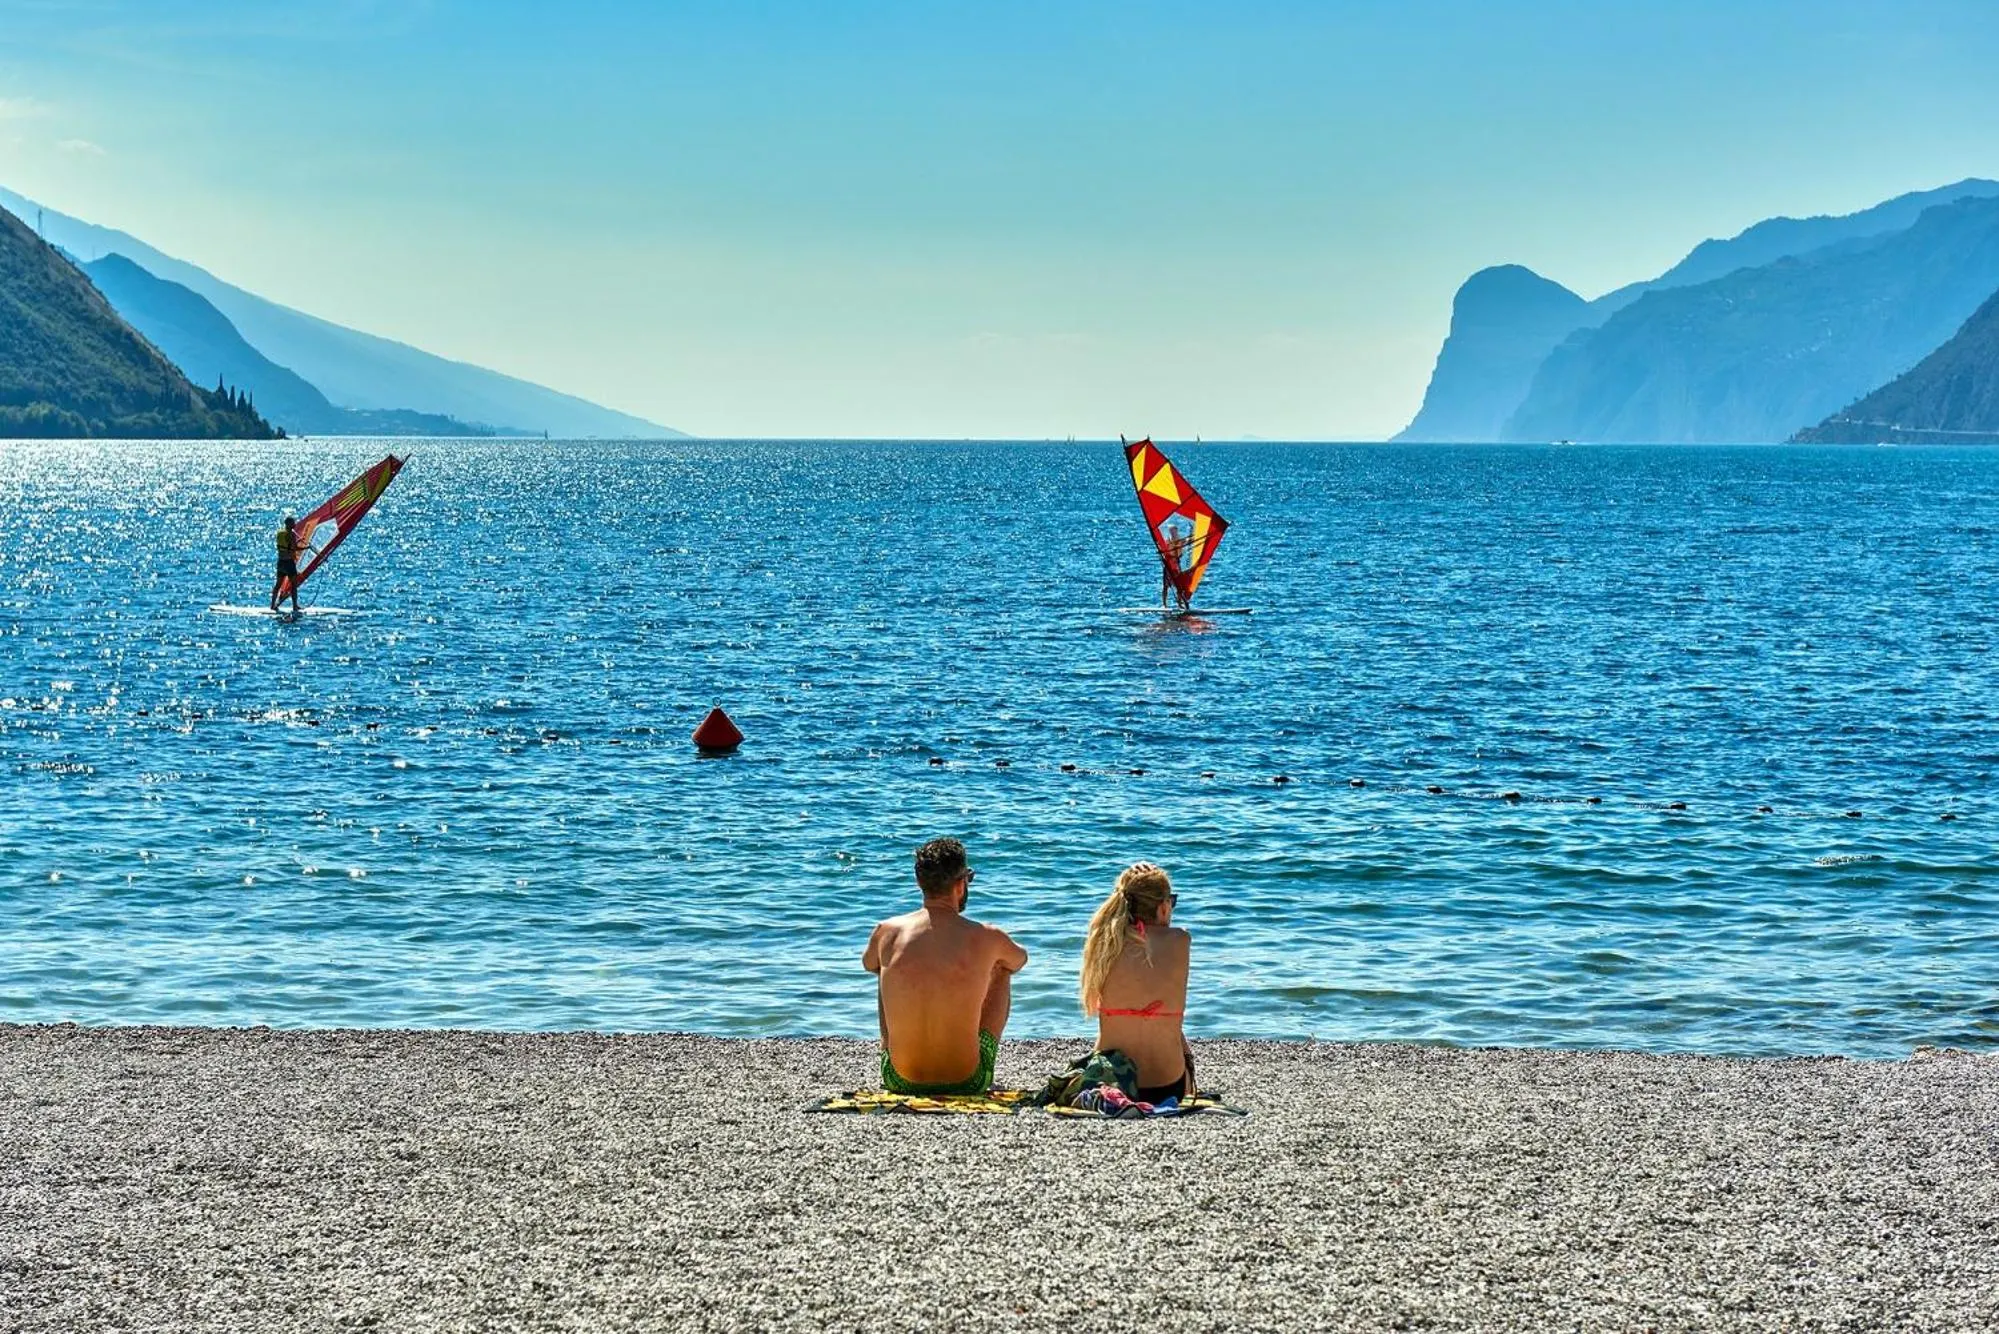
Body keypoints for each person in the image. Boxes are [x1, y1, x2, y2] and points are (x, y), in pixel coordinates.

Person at [863, 837, 1028, 1096]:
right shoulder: (987, 936)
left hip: (898, 1079)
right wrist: (983, 966)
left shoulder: (886, 932)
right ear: (960, 885)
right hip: (968, 1081)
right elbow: (1019, 960)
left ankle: (897, 1053)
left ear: (919, 882)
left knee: (885, 968)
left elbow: (868, 963)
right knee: (1002, 968)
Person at [1080, 861, 1196, 1104]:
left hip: (1112, 1081)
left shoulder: (1104, 941)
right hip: (1169, 1084)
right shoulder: (1180, 940)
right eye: (1172, 902)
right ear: (1163, 907)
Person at [269, 514, 302, 613]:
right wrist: (307, 547)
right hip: (289, 563)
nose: (295, 524)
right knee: (294, 585)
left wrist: (297, 541)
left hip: (281, 562)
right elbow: (295, 548)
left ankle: (272, 605)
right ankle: (295, 606)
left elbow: (287, 544)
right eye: (293, 523)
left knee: (278, 584)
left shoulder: (280, 533)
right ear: (289, 524)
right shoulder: (291, 534)